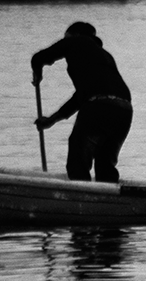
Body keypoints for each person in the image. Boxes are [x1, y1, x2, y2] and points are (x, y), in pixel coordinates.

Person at [31, 21, 133, 183]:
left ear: (75, 35)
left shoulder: (77, 41)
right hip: (124, 110)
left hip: (99, 107)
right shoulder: (103, 57)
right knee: (105, 165)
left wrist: (37, 72)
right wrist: (51, 120)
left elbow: (39, 57)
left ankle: (81, 194)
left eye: (66, 38)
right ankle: (107, 196)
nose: (64, 41)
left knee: (78, 161)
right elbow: (81, 97)